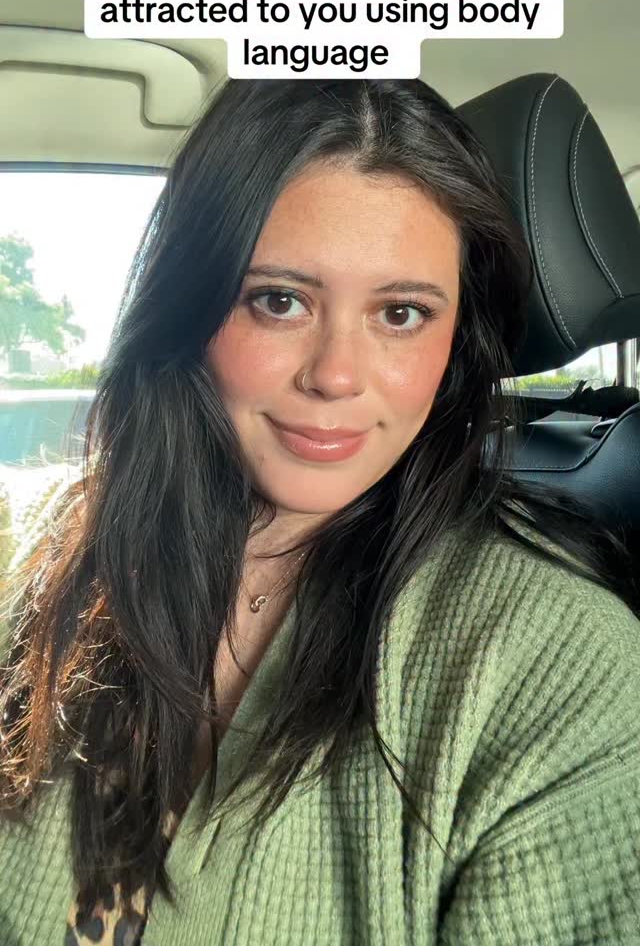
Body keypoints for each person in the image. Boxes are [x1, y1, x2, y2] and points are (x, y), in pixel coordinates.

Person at [0, 78, 639, 946]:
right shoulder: (39, 553)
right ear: (191, 309)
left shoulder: (563, 667)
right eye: (279, 300)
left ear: (456, 341)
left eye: (402, 313)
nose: (336, 375)